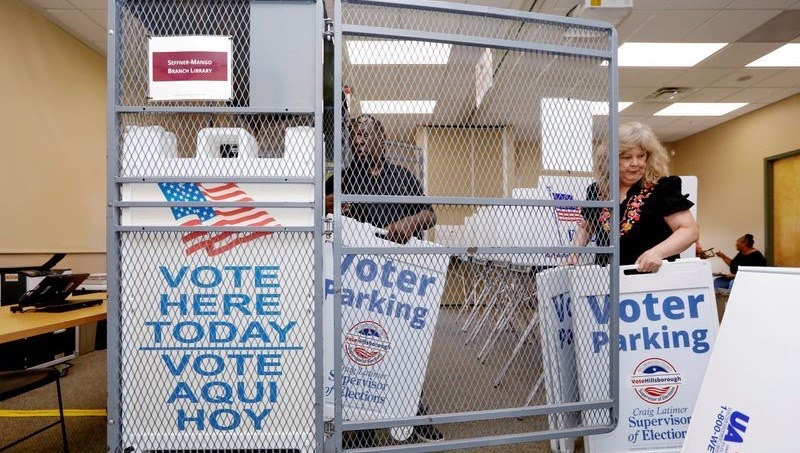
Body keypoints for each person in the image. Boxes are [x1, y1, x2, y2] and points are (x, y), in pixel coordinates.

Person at [326, 114, 442, 446]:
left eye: (365, 134)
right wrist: (336, 207)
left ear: (382, 139)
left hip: (397, 283)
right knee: (357, 351)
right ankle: (359, 429)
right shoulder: (343, 179)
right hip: (356, 283)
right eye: (355, 136)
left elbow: (431, 214)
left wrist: (410, 222)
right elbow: (323, 209)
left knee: (403, 349)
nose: (359, 140)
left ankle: (415, 415)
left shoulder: (403, 177)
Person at [568, 122, 699, 272]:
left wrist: (657, 253)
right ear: (609, 160)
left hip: (653, 279)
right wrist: (573, 255)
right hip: (607, 278)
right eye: (627, 157)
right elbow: (586, 227)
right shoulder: (597, 191)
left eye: (641, 156)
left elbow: (689, 230)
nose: (635, 163)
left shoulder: (662, 188)